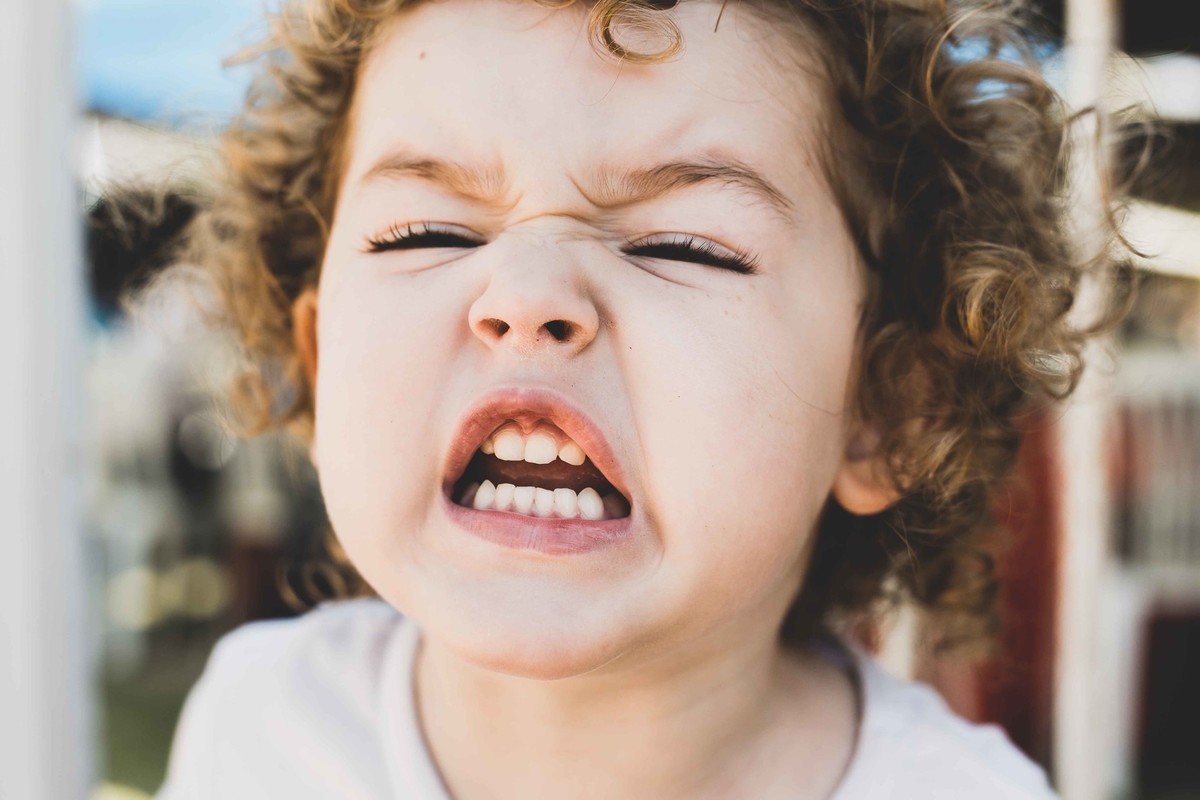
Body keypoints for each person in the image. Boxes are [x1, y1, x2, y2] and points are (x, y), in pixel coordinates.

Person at [156, 0, 1127, 797]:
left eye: (683, 246)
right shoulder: (264, 726)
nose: (527, 295)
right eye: (426, 233)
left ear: (885, 409)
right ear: (320, 365)